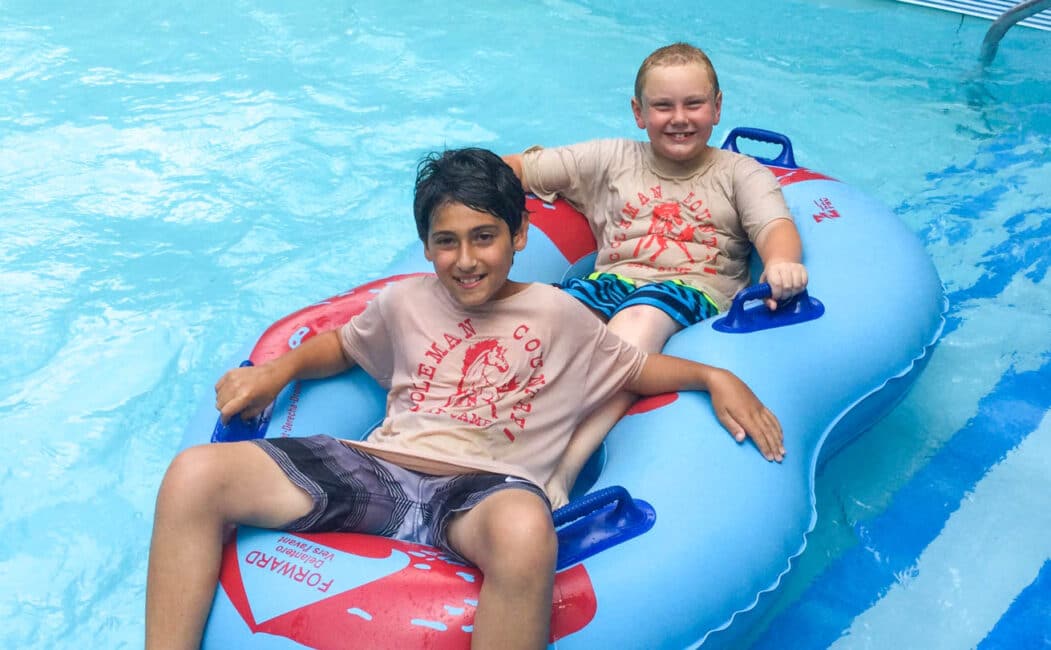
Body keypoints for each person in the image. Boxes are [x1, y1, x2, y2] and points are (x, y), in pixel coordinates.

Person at [144, 147, 783, 650]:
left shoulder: (557, 313)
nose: (465, 259)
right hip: (380, 468)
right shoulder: (405, 301)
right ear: (426, 246)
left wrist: (714, 377)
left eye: (484, 237)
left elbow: (635, 368)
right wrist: (278, 371)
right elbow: (341, 345)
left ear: (520, 236)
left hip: (483, 487)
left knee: (526, 529)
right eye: (446, 241)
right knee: (195, 474)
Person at [503, 42, 803, 507]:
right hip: (611, 281)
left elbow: (774, 226)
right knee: (543, 318)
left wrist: (782, 261)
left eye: (694, 104)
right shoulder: (612, 158)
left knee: (637, 323)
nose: (679, 118)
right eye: (663, 105)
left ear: (718, 107)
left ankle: (560, 468)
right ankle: (493, 437)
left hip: (690, 288)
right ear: (639, 112)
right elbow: (519, 169)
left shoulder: (740, 172)